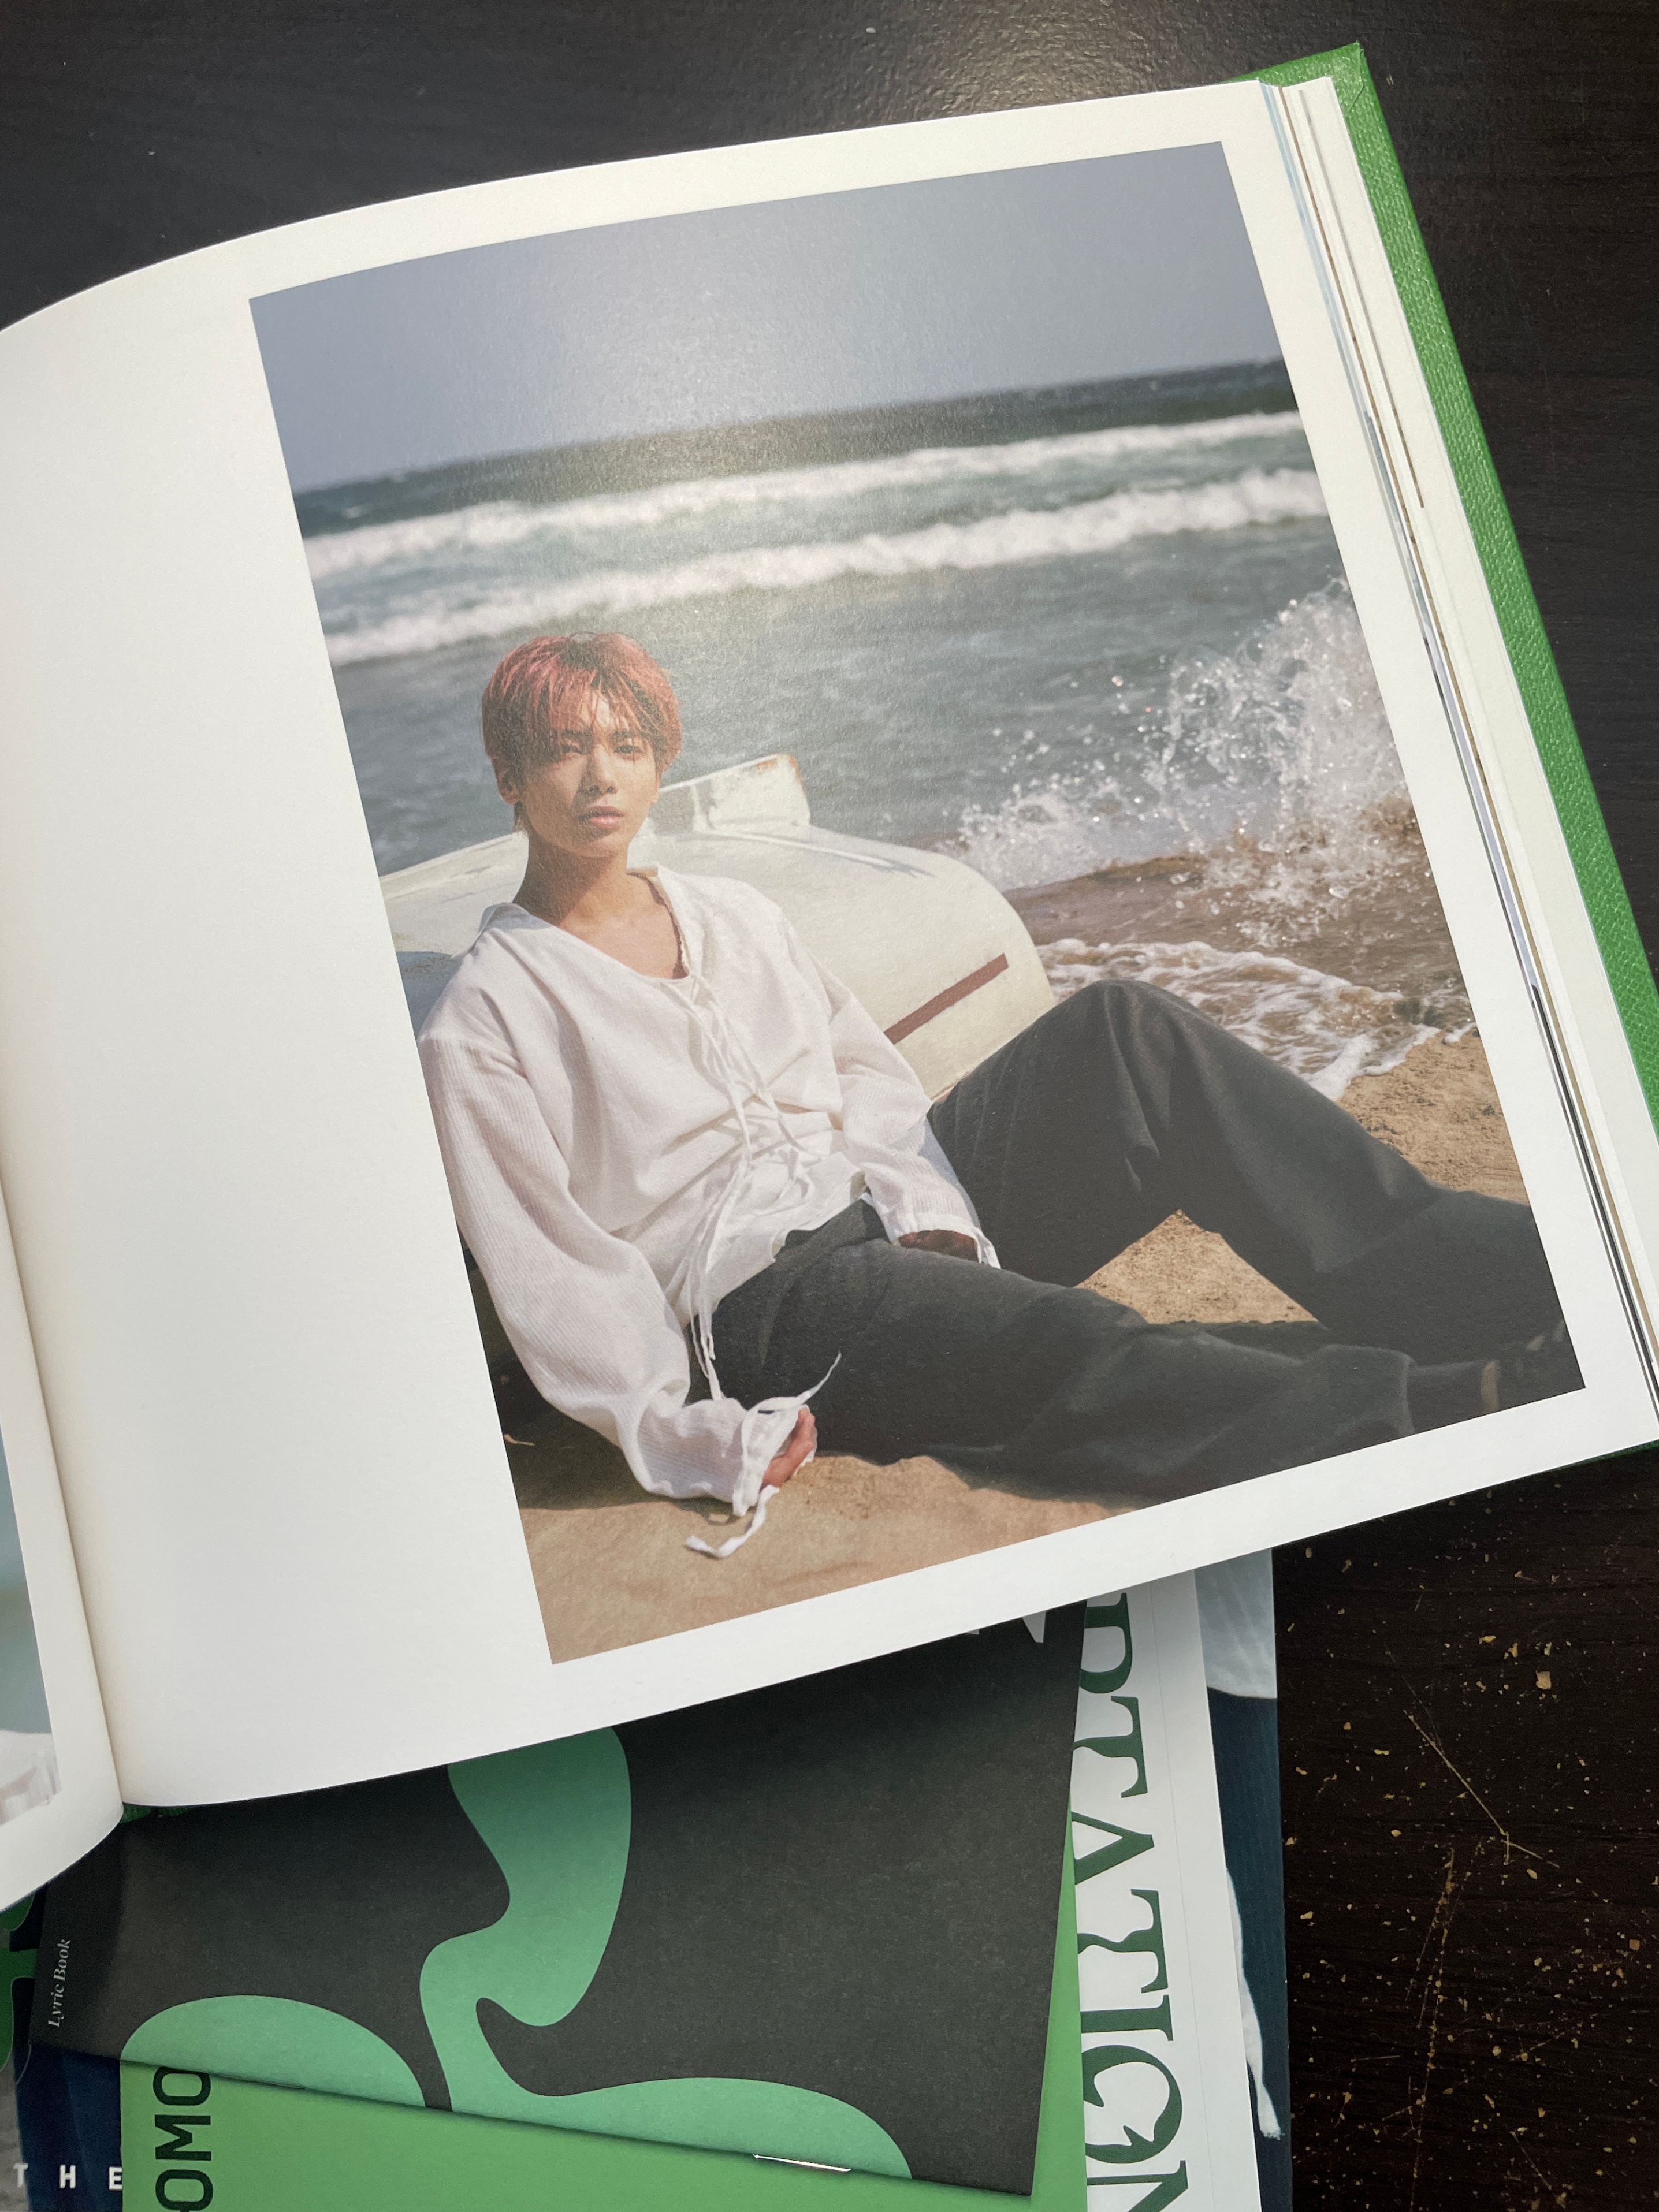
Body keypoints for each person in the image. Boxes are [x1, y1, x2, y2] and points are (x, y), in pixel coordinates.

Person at [418, 632, 1578, 1554]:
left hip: (891, 1207)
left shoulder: (734, 914)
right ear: (510, 776)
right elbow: (558, 1270)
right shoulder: (484, 1018)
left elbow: (863, 1076)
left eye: (625, 743)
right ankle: (1448, 1404)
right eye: (563, 748)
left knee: (1126, 1035)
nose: (600, 774)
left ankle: (1511, 1282)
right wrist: (691, 1436)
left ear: (659, 762)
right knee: (1064, 1343)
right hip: (764, 1306)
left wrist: (932, 1207)